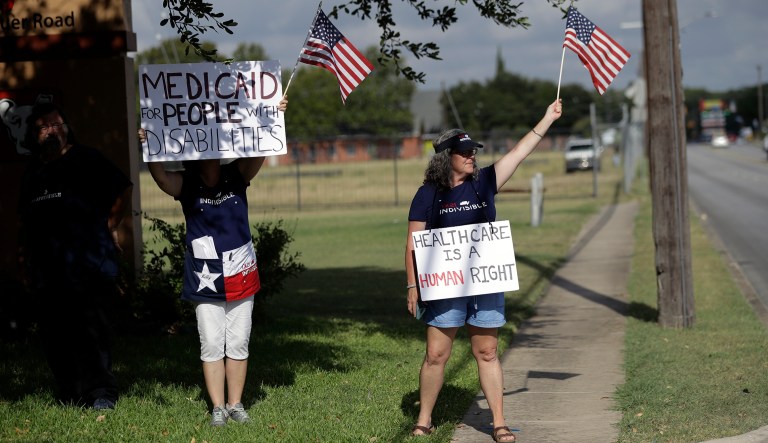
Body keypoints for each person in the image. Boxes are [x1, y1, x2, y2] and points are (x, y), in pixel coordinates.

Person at [405, 100, 563, 442]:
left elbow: (519, 152)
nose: (471, 156)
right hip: (444, 286)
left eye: (473, 151)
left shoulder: (485, 181)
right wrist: (412, 285)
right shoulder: (427, 195)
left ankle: (499, 422)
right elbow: (413, 244)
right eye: (464, 152)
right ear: (446, 157)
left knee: (487, 352)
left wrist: (547, 119)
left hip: (484, 283)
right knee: (436, 355)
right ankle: (424, 420)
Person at [139, 96, 288, 426]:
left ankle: (236, 404)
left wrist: (274, 115)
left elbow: (261, 149)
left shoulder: (236, 173)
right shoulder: (186, 183)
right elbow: (161, 178)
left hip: (241, 270)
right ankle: (218, 407)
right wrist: (149, 143)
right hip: (204, 274)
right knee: (211, 343)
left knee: (238, 341)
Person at [17, 102, 132, 410]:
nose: (51, 131)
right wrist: (24, 262)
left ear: (67, 129)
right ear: (34, 135)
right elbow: (24, 221)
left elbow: (123, 188)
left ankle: (101, 393)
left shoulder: (88, 159)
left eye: (56, 124)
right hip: (47, 271)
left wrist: (111, 225)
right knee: (55, 336)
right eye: (43, 127)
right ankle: (71, 392)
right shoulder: (33, 172)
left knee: (92, 334)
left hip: (90, 267)